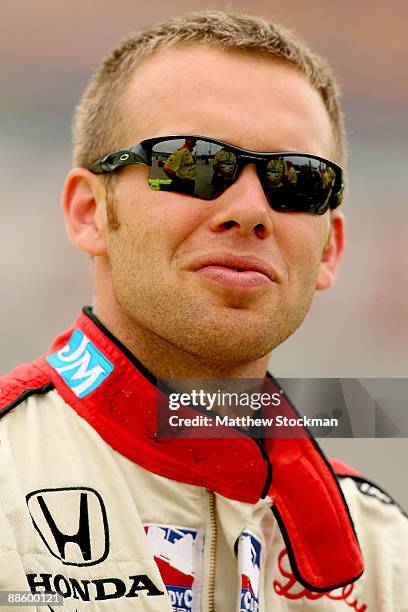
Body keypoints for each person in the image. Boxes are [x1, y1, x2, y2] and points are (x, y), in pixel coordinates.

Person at [0, 10, 407, 612]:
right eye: (192, 164)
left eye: (296, 180)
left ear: (330, 249)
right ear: (89, 212)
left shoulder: (385, 558)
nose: (249, 210)